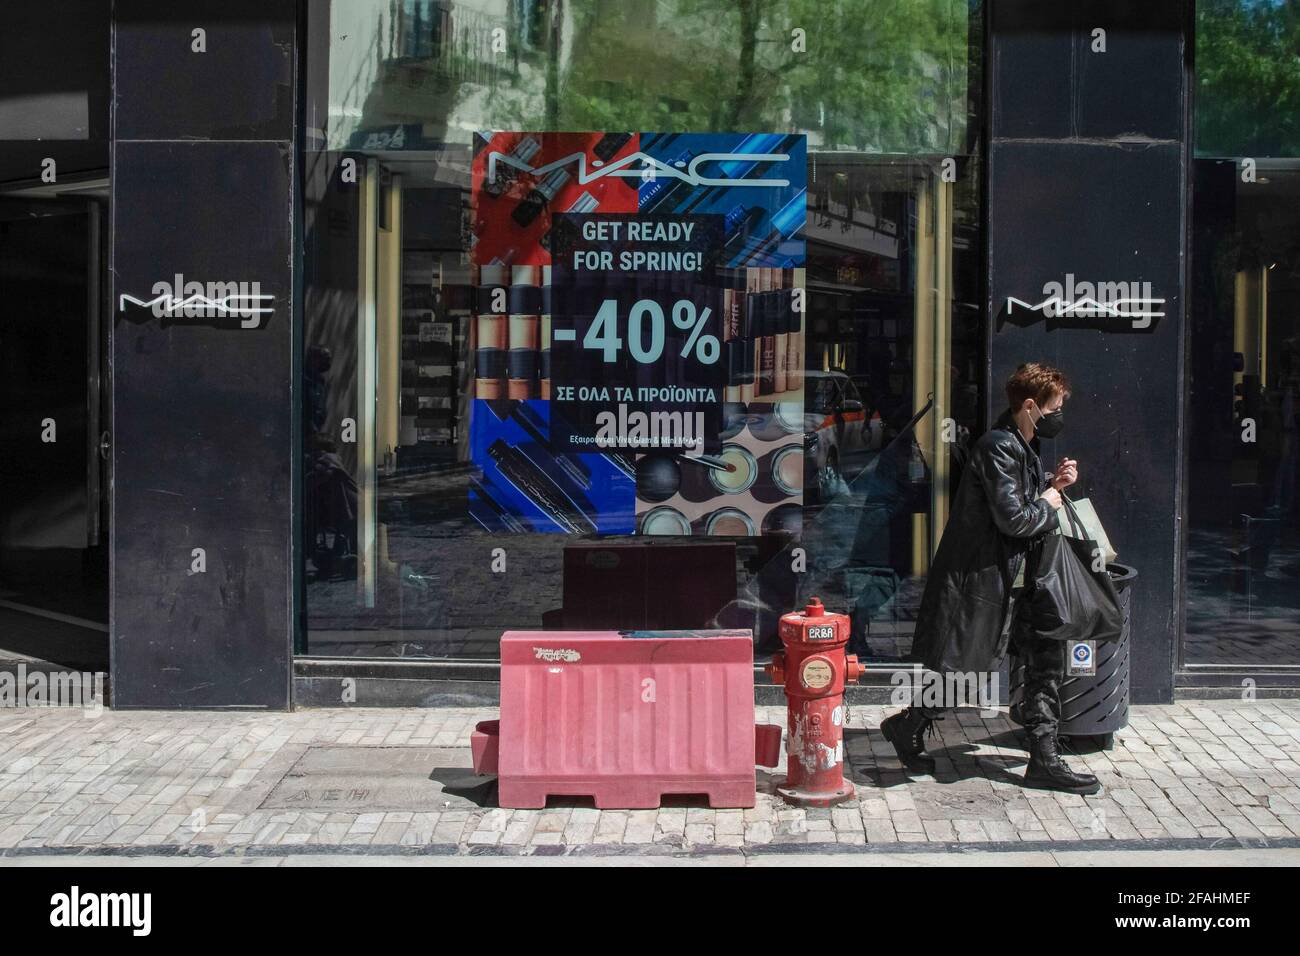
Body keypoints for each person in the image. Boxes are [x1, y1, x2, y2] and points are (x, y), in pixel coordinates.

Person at [881, 362, 1100, 795]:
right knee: (963, 670)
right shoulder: (998, 447)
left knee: (1045, 664)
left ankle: (1044, 758)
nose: (1059, 416)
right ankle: (909, 724)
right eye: (1055, 407)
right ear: (1032, 406)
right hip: (989, 582)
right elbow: (1015, 519)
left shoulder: (1024, 444)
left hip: (1023, 582)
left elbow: (1024, 505)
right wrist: (1051, 501)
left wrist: (1053, 485)